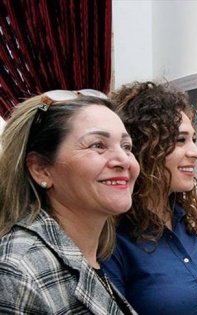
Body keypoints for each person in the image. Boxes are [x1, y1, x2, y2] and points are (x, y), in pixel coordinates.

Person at [0, 90, 140, 314]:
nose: (124, 160)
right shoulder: (18, 270)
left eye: (126, 146)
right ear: (41, 169)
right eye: (97, 145)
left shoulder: (93, 253)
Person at [101, 81, 197, 314]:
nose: (196, 152)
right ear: (143, 148)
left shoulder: (189, 220)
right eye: (180, 140)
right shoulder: (112, 238)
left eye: (194, 140)